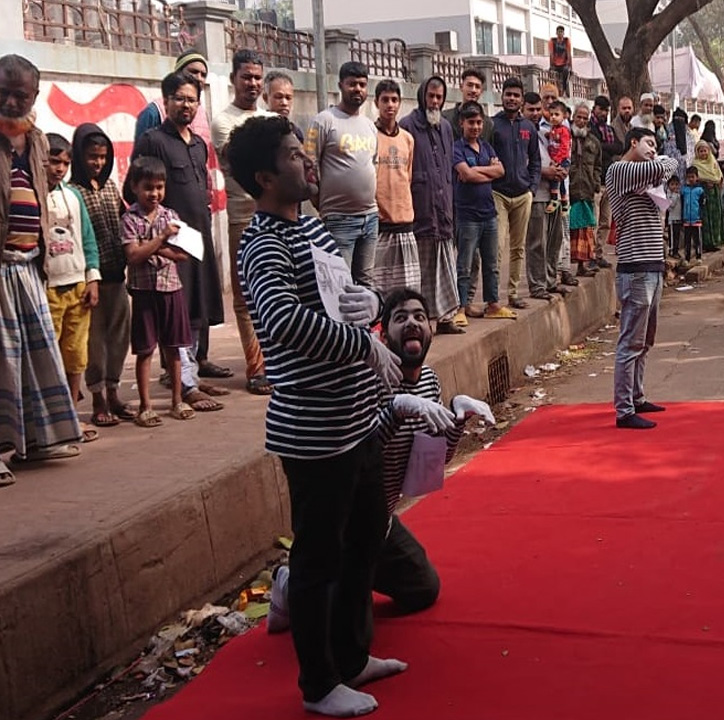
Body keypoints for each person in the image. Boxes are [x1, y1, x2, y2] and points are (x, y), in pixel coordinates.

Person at [227, 114, 407, 718]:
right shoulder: (263, 244)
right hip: (314, 431)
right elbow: (282, 322)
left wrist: (373, 303)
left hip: (356, 419)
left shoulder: (316, 230)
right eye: (291, 156)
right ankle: (318, 682)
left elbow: (350, 291)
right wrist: (362, 344)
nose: (306, 163)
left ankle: (352, 655)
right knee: (317, 558)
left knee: (363, 543)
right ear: (263, 176)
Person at [267, 287, 496, 630]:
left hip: (383, 518)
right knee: (337, 620)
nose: (412, 324)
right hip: (348, 519)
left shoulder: (430, 382)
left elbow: (426, 469)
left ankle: (348, 581)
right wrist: (396, 411)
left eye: (420, 317)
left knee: (423, 589)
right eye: (400, 318)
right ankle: (290, 580)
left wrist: (456, 422)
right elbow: (361, 458)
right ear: (384, 335)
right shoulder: (368, 380)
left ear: (432, 328)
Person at [0, 55, 84, 487]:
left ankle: (33, 441)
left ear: (34, 96)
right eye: (5, 92)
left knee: (35, 357)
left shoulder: (36, 140)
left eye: (22, 95)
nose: (13, 101)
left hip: (29, 265)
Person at [131, 70, 227, 412]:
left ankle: (193, 373)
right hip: (171, 235)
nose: (186, 105)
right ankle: (184, 383)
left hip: (198, 232)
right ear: (166, 100)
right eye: (180, 98)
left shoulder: (199, 144)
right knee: (178, 310)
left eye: (192, 100)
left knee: (199, 305)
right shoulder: (153, 141)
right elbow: (142, 189)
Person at [606, 127, 678, 430]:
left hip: (653, 263)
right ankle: (624, 410)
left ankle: (637, 396)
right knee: (630, 341)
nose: (653, 148)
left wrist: (662, 162)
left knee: (645, 340)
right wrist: (660, 160)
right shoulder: (619, 170)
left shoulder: (648, 177)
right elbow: (667, 165)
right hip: (634, 266)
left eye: (656, 144)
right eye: (648, 143)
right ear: (632, 142)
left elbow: (671, 166)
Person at [211, 49, 273, 395]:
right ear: (234, 79)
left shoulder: (265, 118)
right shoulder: (224, 121)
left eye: (257, 77)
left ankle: (276, 361)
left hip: (272, 215)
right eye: (246, 76)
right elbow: (238, 168)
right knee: (245, 296)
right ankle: (256, 367)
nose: (252, 83)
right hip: (242, 216)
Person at [121, 156, 193, 427]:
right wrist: (161, 240)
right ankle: (146, 406)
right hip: (143, 290)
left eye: (159, 187)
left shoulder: (170, 216)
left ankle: (177, 399)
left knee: (174, 347)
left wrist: (150, 246)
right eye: (148, 187)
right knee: (145, 349)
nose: (154, 193)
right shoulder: (129, 219)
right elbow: (133, 256)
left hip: (171, 288)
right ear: (135, 187)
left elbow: (182, 254)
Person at [71, 123, 135, 427]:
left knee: (119, 339)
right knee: (94, 343)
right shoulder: (73, 192)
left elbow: (123, 219)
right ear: (78, 156)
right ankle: (96, 399)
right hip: (90, 281)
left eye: (102, 156)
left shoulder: (110, 186)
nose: (97, 162)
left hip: (117, 277)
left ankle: (113, 392)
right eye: (91, 156)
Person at [42, 133, 102, 443]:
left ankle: (72, 417)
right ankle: (52, 422)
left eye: (64, 163)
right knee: (48, 355)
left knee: (76, 355)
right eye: (53, 161)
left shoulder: (73, 196)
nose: (59, 168)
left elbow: (87, 239)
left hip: (77, 284)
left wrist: (92, 277)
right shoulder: (34, 195)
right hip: (47, 287)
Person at [305, 61, 379, 285]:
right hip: (339, 219)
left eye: (362, 85)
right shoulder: (324, 121)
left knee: (366, 281)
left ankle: (364, 322)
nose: (357, 89)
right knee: (341, 282)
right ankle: (341, 323)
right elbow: (309, 166)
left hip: (370, 218)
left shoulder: (369, 126)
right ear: (340, 85)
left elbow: (373, 166)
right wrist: (321, 203)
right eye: (352, 84)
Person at [400, 75, 460, 335]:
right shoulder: (407, 126)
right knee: (421, 272)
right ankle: (422, 323)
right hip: (420, 208)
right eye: (431, 96)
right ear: (422, 96)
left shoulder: (445, 127)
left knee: (446, 267)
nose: (435, 102)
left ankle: (446, 318)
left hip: (443, 206)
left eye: (439, 97)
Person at [452, 101, 514, 321]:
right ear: (462, 123)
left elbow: (501, 171)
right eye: (471, 122)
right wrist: (487, 172)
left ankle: (493, 304)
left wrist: (476, 170)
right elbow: (465, 176)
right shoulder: (457, 148)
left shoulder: (486, 147)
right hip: (467, 215)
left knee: (491, 263)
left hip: (489, 214)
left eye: (479, 122)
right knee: (465, 265)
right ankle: (461, 308)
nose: (476, 127)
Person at [491, 78, 541, 310]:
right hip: (498, 193)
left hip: (523, 194)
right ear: (502, 97)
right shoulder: (492, 126)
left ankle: (513, 293)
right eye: (508, 94)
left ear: (521, 99)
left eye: (516, 95)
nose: (511, 98)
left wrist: (531, 188)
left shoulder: (528, 128)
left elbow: (536, 162)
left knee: (518, 246)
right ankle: (494, 298)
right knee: (497, 245)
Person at [372, 79, 421, 305]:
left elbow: (407, 176)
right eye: (385, 100)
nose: (389, 105)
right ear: (376, 102)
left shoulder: (407, 139)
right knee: (379, 288)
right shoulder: (369, 135)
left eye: (394, 100)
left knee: (408, 290)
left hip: (404, 223)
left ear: (400, 103)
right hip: (379, 225)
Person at [526, 96, 575, 300]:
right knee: (538, 241)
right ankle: (537, 286)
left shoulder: (550, 131)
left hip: (556, 188)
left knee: (554, 239)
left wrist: (563, 169)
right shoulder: (523, 132)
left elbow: (563, 152)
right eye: (531, 110)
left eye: (539, 109)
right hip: (537, 192)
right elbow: (523, 163)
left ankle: (550, 280)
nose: (536, 113)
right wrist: (546, 172)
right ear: (523, 110)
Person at [568, 103, 603, 277]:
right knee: (569, 230)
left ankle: (584, 265)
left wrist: (596, 182)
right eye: (578, 117)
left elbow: (598, 165)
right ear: (573, 117)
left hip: (587, 191)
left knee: (586, 230)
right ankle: (565, 270)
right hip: (569, 191)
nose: (581, 121)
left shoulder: (593, 141)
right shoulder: (565, 138)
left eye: (584, 118)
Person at [588, 95, 622, 269]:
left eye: (606, 110)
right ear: (594, 109)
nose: (604, 113)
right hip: (595, 182)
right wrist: (606, 148)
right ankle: (590, 255)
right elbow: (596, 147)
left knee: (605, 221)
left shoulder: (609, 129)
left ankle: (599, 253)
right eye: (601, 109)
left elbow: (619, 147)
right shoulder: (589, 128)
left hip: (609, 181)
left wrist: (604, 147)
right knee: (593, 222)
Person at [691, 141, 724, 251]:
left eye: (705, 151)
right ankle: (706, 243)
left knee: (716, 217)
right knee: (705, 219)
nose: (703, 153)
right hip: (703, 194)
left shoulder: (713, 163)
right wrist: (705, 181)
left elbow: (719, 176)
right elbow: (694, 178)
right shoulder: (695, 164)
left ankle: (716, 241)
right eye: (700, 151)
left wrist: (717, 182)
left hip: (715, 194)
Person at [444, 68, 493, 142]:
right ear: (461, 87)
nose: (473, 90)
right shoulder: (445, 119)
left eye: (477, 87)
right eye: (470, 85)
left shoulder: (488, 124)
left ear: (481, 91)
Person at [544, 101, 572, 215]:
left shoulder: (564, 131)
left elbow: (564, 148)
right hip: (554, 158)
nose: (553, 117)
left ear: (564, 115)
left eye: (556, 114)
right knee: (560, 182)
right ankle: (565, 203)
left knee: (556, 178)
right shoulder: (553, 129)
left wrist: (557, 160)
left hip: (562, 159)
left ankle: (555, 199)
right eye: (551, 115)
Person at [549, 26, 572, 96]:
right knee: (552, 76)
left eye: (561, 32)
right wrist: (551, 65)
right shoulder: (552, 41)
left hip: (564, 64)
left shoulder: (566, 41)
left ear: (563, 33)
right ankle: (554, 91)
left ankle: (564, 90)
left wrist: (570, 66)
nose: (560, 33)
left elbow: (569, 53)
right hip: (556, 64)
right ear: (556, 33)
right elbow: (551, 53)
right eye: (559, 31)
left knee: (565, 72)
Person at [665, 175, 684, 258]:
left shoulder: (679, 193)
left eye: (676, 184)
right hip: (672, 219)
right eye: (672, 184)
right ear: (668, 185)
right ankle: (672, 251)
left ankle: (676, 250)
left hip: (678, 218)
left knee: (677, 236)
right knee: (672, 237)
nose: (674, 186)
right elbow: (671, 205)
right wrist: (675, 195)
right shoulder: (669, 195)